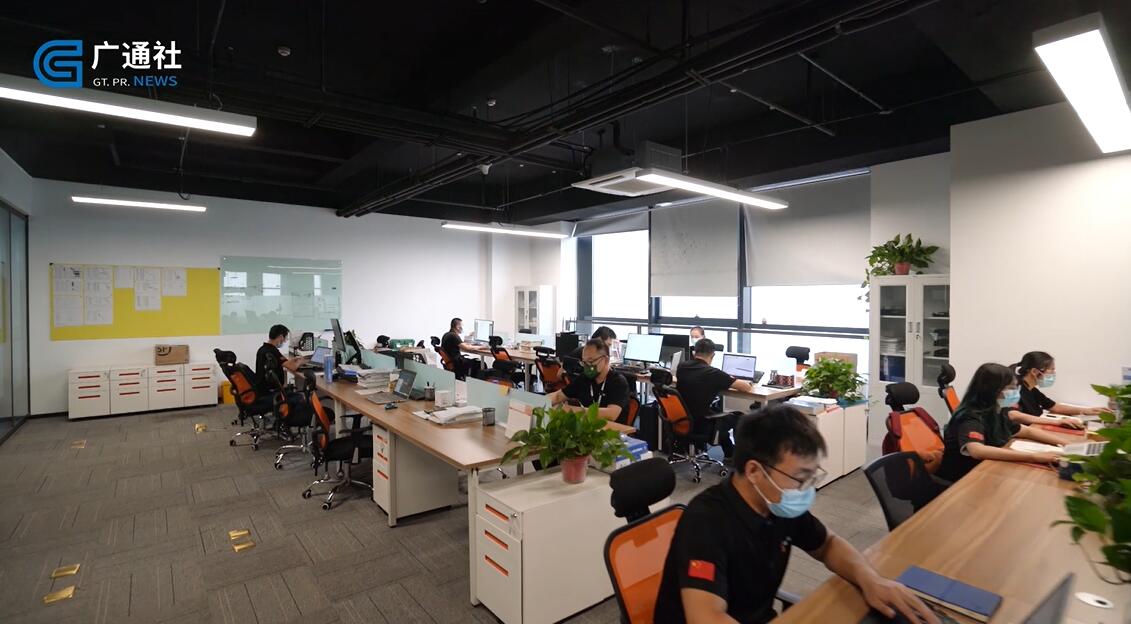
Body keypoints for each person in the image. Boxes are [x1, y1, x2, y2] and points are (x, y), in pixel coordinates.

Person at [654, 405, 940, 624]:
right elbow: (707, 617)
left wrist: (871, 580)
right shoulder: (706, 522)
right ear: (754, 471)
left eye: (811, 476)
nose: (805, 489)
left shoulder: (776, 503)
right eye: (800, 478)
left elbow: (827, 544)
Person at [936, 363, 1067, 483]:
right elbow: (977, 450)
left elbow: (1026, 431)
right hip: (964, 479)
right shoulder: (970, 416)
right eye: (1011, 388)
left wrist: (1066, 444)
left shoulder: (996, 410)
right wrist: (1034, 457)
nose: (1016, 392)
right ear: (992, 390)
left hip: (986, 470)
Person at [675, 338, 753, 458]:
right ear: (713, 355)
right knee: (739, 417)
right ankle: (739, 457)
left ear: (694, 352)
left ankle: (729, 452)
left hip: (681, 420)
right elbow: (746, 388)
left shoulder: (682, 367)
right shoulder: (713, 373)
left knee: (720, 415)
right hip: (702, 423)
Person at [1007, 351, 1105, 429]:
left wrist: (1086, 410)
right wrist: (1056, 422)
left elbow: (1054, 407)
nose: (1053, 373)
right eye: (1051, 370)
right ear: (1034, 371)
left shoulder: (1032, 390)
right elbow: (1014, 415)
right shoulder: (1015, 389)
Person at [547, 338, 629, 423]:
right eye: (584, 362)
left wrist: (572, 410)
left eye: (590, 361)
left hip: (612, 429)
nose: (587, 366)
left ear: (605, 360)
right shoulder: (584, 378)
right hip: (588, 426)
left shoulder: (618, 382)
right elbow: (558, 396)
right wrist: (541, 402)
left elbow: (611, 414)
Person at [255, 324, 305, 392]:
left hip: (262, 387)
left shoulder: (262, 349)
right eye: (286, 338)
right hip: (271, 390)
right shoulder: (273, 352)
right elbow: (293, 367)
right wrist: (301, 361)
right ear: (281, 337)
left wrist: (294, 359)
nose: (285, 341)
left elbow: (283, 362)